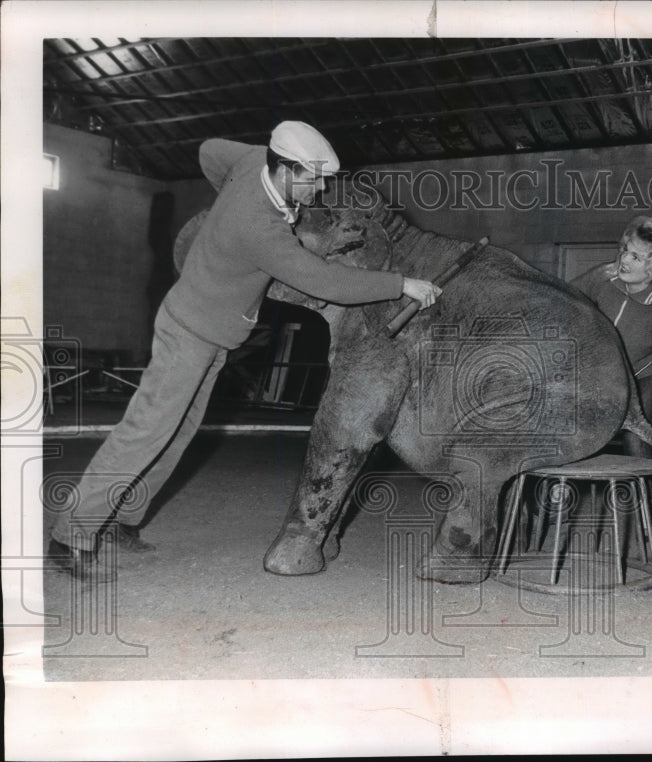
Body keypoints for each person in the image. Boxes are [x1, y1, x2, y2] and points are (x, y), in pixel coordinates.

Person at [48, 121, 441, 582]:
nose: (319, 190)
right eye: (313, 180)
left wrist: (224, 201)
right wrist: (402, 285)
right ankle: (69, 536)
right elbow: (323, 280)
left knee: (175, 435)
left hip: (212, 333)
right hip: (189, 332)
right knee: (145, 432)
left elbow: (209, 147)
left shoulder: (252, 161)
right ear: (288, 170)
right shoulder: (258, 226)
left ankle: (123, 521)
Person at [573, 215, 652, 458]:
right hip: (603, 370)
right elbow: (563, 299)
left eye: (636, 257)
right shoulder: (601, 277)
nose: (624, 260)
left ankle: (647, 497)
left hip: (646, 374)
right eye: (625, 251)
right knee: (574, 426)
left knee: (636, 435)